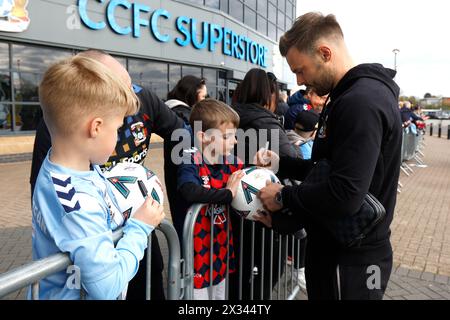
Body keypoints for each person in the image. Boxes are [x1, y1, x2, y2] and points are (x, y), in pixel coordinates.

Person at [258, 12, 402, 300]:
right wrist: (280, 163)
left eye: (301, 69)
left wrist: (283, 196)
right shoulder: (346, 97)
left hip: (356, 258)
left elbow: (345, 193)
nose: (299, 80)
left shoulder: (361, 101)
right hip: (334, 247)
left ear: (325, 53)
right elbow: (324, 170)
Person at [29, 50, 185, 300]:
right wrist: (140, 227)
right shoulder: (76, 202)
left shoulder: (65, 168)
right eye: (118, 127)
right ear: (96, 127)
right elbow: (107, 287)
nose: (118, 137)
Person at [230, 68, 302, 300]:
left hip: (232, 208)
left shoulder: (227, 118)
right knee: (270, 267)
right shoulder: (266, 122)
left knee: (239, 268)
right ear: (268, 94)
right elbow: (295, 160)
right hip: (264, 208)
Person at [175, 99, 245, 299]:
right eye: (227, 137)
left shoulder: (230, 162)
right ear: (203, 137)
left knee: (219, 296)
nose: (234, 141)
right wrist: (227, 194)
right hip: (196, 251)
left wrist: (258, 166)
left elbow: (248, 175)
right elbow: (189, 190)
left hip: (220, 246)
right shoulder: (190, 158)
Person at [163, 75, 207, 237]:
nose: (204, 101)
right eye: (202, 97)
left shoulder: (172, 113)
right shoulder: (183, 117)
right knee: (187, 228)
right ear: (191, 94)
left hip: (175, 173)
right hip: (184, 176)